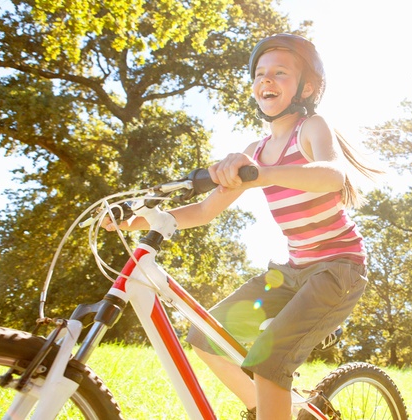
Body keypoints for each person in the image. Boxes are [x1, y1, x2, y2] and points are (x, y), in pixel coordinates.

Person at [106, 33, 382, 420]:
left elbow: (334, 175)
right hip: (292, 271)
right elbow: (204, 210)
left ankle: (271, 403)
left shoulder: (311, 128)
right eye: (260, 74)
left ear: (307, 87)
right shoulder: (254, 151)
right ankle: (263, 410)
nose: (266, 80)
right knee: (206, 336)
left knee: (270, 366)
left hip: (338, 269)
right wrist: (131, 220)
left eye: (280, 73)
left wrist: (263, 175)